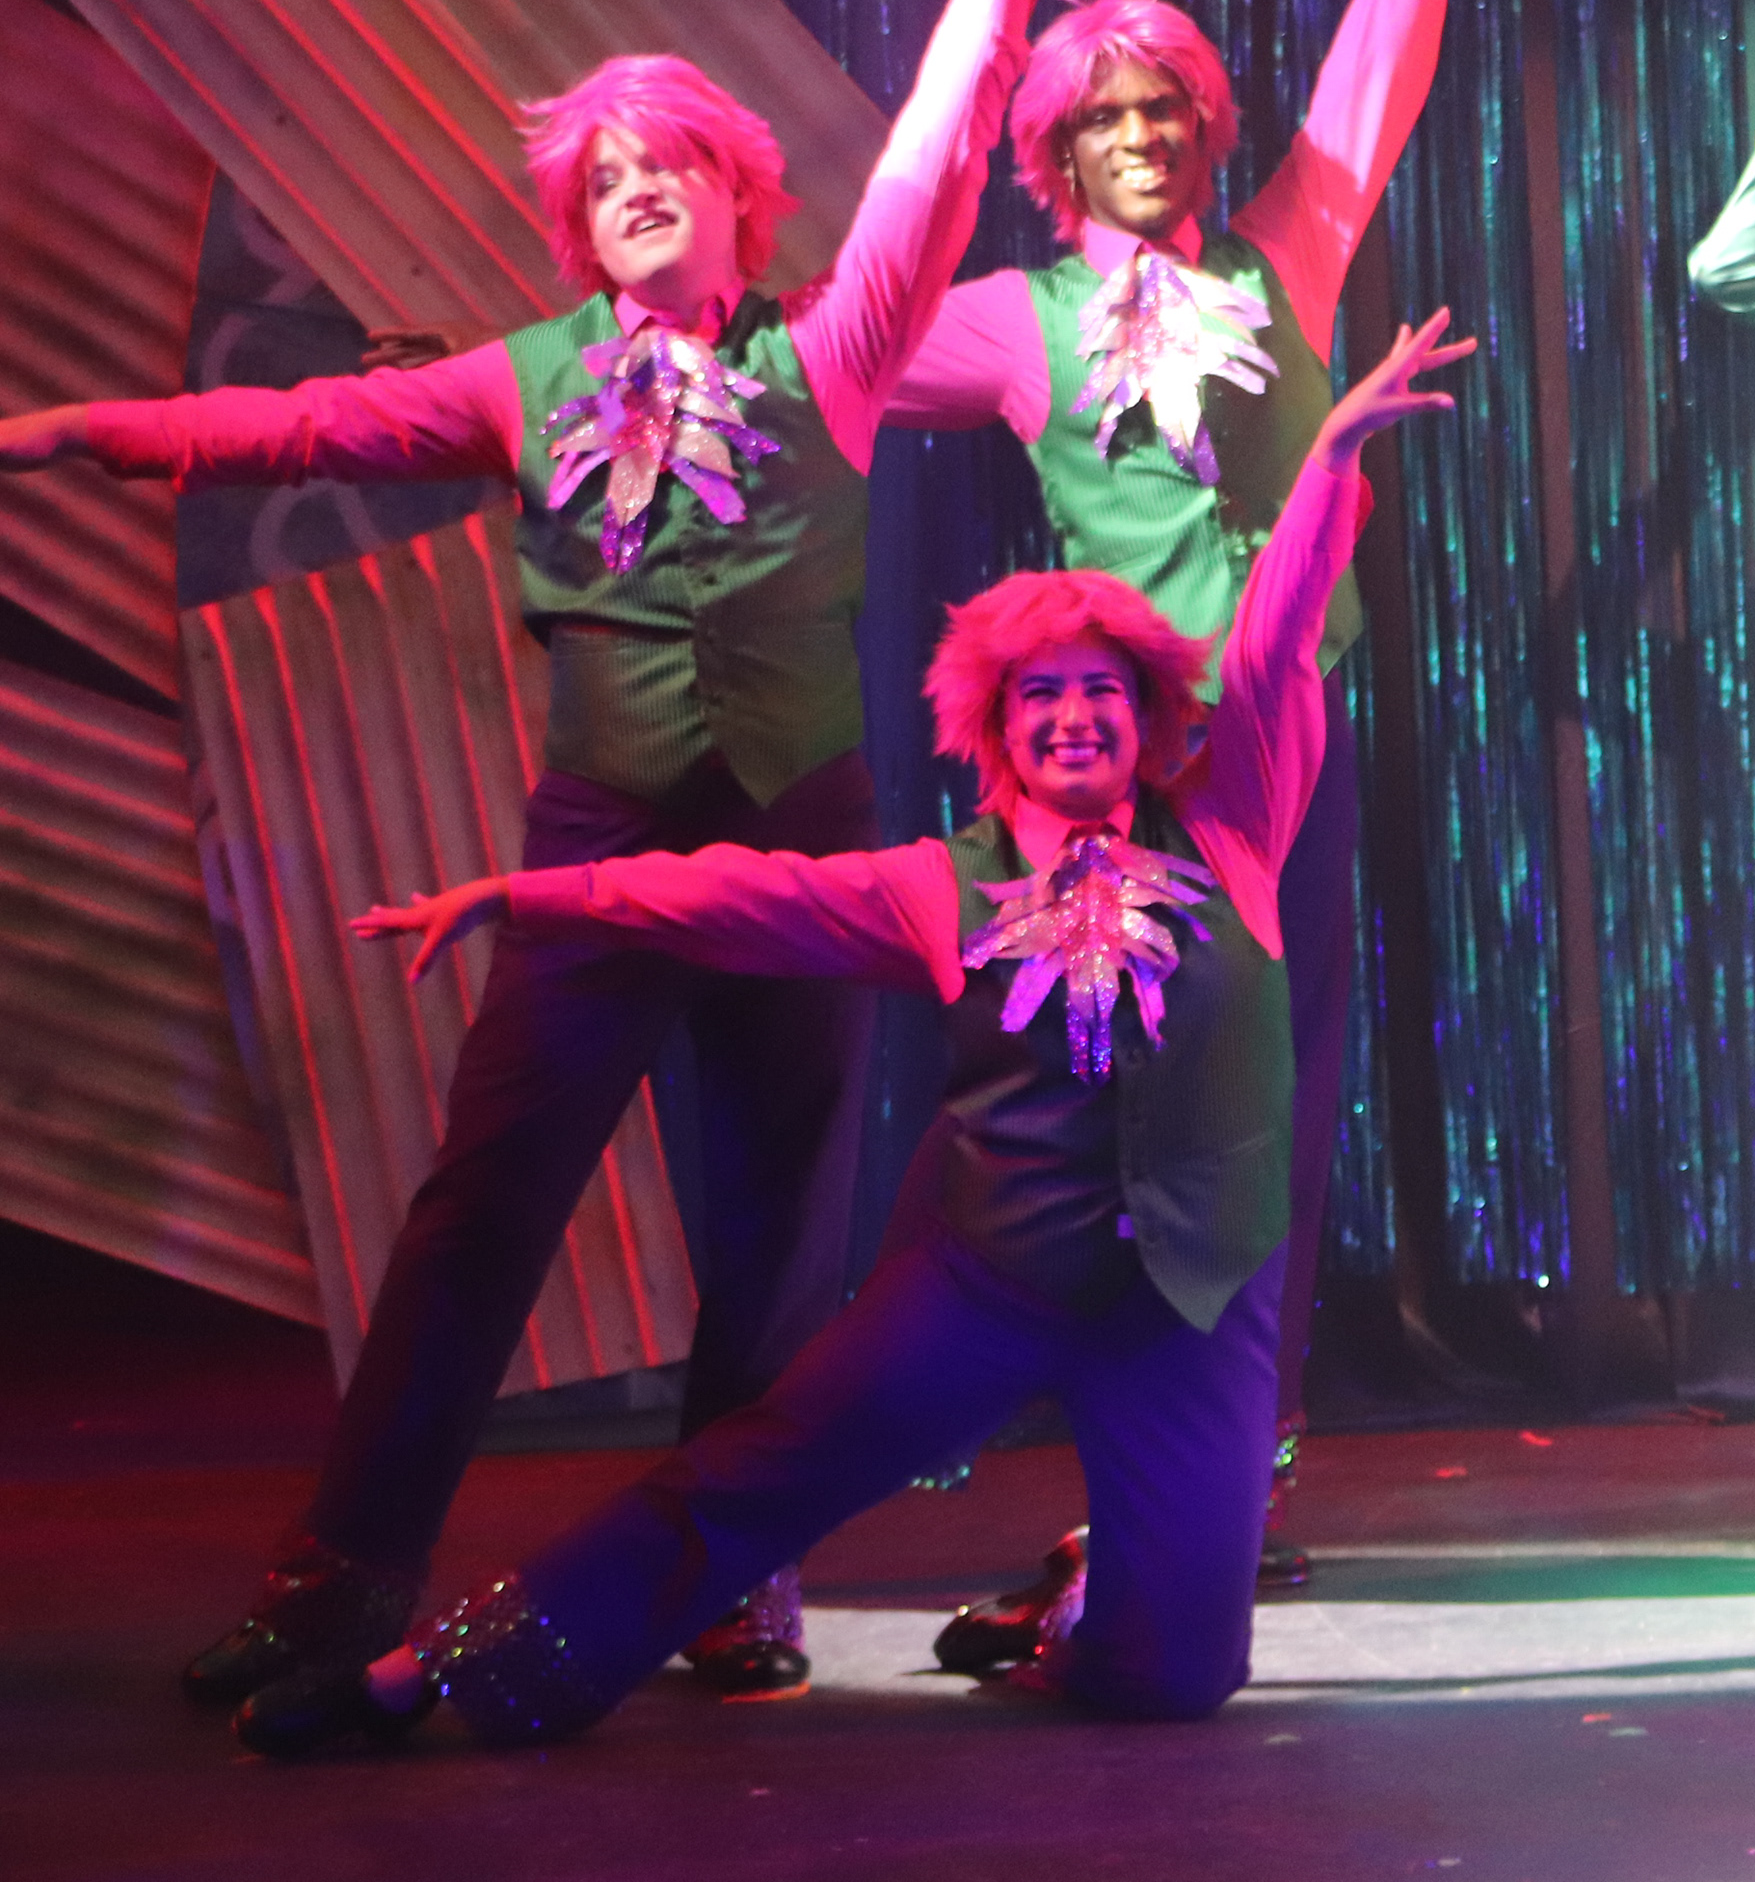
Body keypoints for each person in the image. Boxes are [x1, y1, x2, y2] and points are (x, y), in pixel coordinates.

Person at [0, 0, 1105, 1708]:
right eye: (602, 178)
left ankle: (733, 1590)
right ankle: (338, 1581)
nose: (633, 186)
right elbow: (302, 429)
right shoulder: (527, 381)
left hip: (801, 840)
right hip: (599, 840)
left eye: (664, 160)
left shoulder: (831, 351)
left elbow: (934, 169)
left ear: (738, 191)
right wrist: (84, 430)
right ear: (579, 229)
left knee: (776, 1236)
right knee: (480, 1211)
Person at [230, 311, 1468, 1758]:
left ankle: (1077, 1617)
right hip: (994, 1274)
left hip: (1192, 1295)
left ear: (1145, 718)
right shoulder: (943, 885)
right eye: (1042, 695)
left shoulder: (1236, 830)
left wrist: (1330, 457)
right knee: (759, 1473)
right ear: (999, 732)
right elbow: (728, 895)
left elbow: (1277, 640)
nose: (1075, 716)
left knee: (1182, 1679)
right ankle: (434, 1671)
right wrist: (525, 894)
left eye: (1101, 691)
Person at [887, 0, 1504, 1638]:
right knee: (1105, 1131)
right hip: (1114, 781)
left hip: (1282, 750)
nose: (1145, 136)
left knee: (1275, 1111)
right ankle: (1113, 1486)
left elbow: (1381, 60)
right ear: (1057, 153)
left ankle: (1242, 1468)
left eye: (1167, 109)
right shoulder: (1013, 321)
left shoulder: (1286, 252)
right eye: (1109, 117)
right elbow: (818, 358)